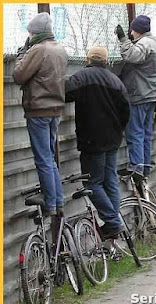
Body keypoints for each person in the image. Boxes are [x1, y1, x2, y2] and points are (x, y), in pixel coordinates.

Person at [65, 46, 130, 238]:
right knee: (110, 182)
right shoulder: (115, 81)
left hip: (91, 139)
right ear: (105, 61)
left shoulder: (80, 77)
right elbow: (126, 109)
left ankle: (113, 221)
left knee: (92, 183)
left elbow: (65, 94)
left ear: (88, 59)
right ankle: (113, 224)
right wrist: (119, 129)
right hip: (112, 139)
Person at [13, 12, 68, 216]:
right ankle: (58, 200)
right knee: (50, 157)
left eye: (29, 32)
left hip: (38, 110)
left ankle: (50, 202)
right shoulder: (59, 49)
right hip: (55, 109)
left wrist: (21, 54)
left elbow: (19, 75)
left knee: (43, 158)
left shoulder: (38, 49)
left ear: (35, 33)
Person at [115, 15, 156, 176]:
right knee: (145, 133)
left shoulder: (145, 43)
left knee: (135, 133)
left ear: (137, 30)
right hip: (150, 95)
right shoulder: (154, 42)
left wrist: (123, 39)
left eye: (132, 30)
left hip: (139, 95)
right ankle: (145, 165)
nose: (131, 32)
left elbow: (132, 56)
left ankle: (137, 167)